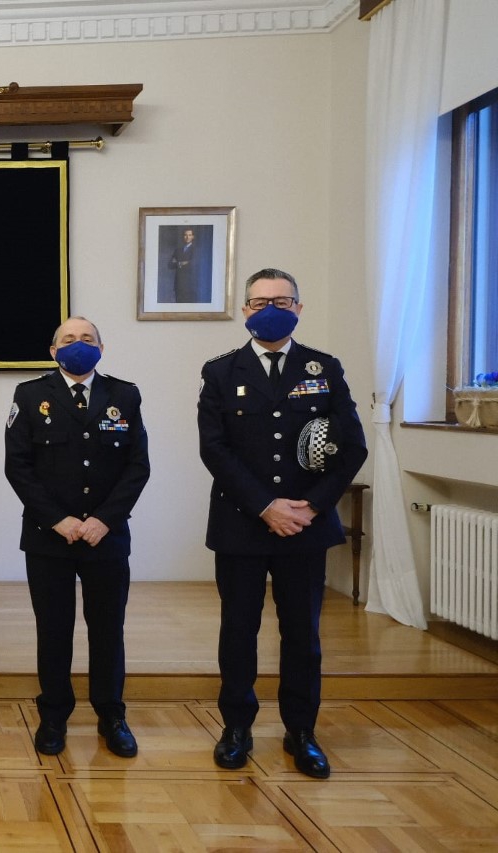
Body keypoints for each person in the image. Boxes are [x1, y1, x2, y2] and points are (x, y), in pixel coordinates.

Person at [198, 268, 367, 779]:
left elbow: (352, 447)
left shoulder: (324, 368)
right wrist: (265, 506)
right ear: (245, 310)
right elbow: (215, 450)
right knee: (238, 631)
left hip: (305, 527)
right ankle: (236, 728)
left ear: (298, 308)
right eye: (259, 301)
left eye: (281, 300)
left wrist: (311, 506)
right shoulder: (220, 372)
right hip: (242, 524)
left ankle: (302, 732)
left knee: (302, 635)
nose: (270, 309)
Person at [3, 316, 150, 758]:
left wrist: (105, 519)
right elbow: (18, 467)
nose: (78, 344)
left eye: (88, 339)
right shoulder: (29, 395)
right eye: (69, 339)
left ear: (101, 349)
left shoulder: (124, 395)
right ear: (53, 351)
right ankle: (53, 715)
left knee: (108, 629)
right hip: (49, 538)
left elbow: (137, 466)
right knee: (54, 629)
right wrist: (57, 520)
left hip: (107, 537)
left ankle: (112, 715)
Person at [168, 228, 200, 303]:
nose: (187, 237)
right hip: (178, 284)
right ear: (183, 237)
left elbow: (194, 264)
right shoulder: (177, 250)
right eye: (185, 235)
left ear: (193, 237)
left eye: (189, 235)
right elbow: (170, 265)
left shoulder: (196, 250)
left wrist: (178, 262)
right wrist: (181, 263)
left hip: (190, 285)